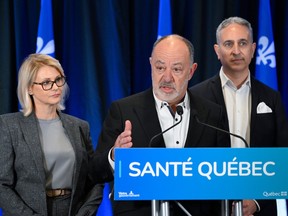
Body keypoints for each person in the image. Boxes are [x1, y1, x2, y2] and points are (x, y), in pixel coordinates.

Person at [89, 34, 230, 216]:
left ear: (191, 71)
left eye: (177, 69)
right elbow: (94, 172)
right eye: (160, 67)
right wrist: (114, 156)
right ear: (151, 65)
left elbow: (225, 173)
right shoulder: (124, 110)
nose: (167, 77)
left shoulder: (211, 114)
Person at [190, 16, 288, 216]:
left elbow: (281, 157)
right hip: (209, 207)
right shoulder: (196, 97)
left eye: (242, 43)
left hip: (259, 208)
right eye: (228, 44)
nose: (236, 51)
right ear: (217, 51)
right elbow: (190, 157)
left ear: (252, 49)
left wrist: (257, 201)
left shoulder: (272, 98)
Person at [0, 54, 103, 216]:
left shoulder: (79, 126)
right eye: (46, 83)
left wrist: (85, 213)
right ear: (29, 88)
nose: (56, 87)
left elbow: (94, 178)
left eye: (58, 80)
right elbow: (2, 185)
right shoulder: (9, 126)